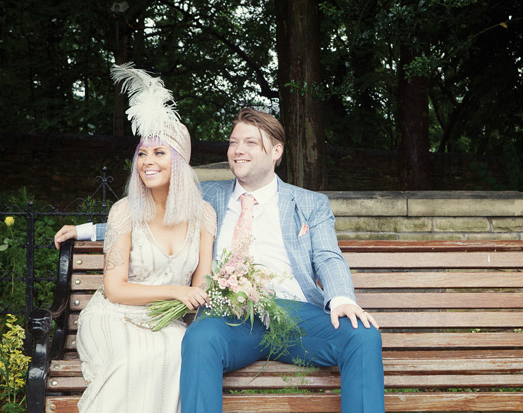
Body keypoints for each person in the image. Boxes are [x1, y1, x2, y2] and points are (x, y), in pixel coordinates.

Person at [55, 108, 385, 412]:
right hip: (230, 317)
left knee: (363, 335)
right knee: (198, 338)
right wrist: (85, 230)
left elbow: (328, 256)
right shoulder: (209, 197)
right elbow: (150, 213)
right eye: (233, 142)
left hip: (293, 316)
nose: (238, 150)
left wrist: (341, 298)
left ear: (276, 151)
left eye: (250, 143)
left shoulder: (309, 204)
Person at [73, 63, 216, 413]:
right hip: (114, 316)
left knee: (180, 352)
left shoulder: (204, 215)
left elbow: (204, 281)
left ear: (179, 161)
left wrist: (200, 298)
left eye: (159, 152)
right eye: (142, 153)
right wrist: (176, 292)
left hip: (165, 321)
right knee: (141, 359)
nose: (147, 162)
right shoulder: (124, 212)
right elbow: (115, 289)